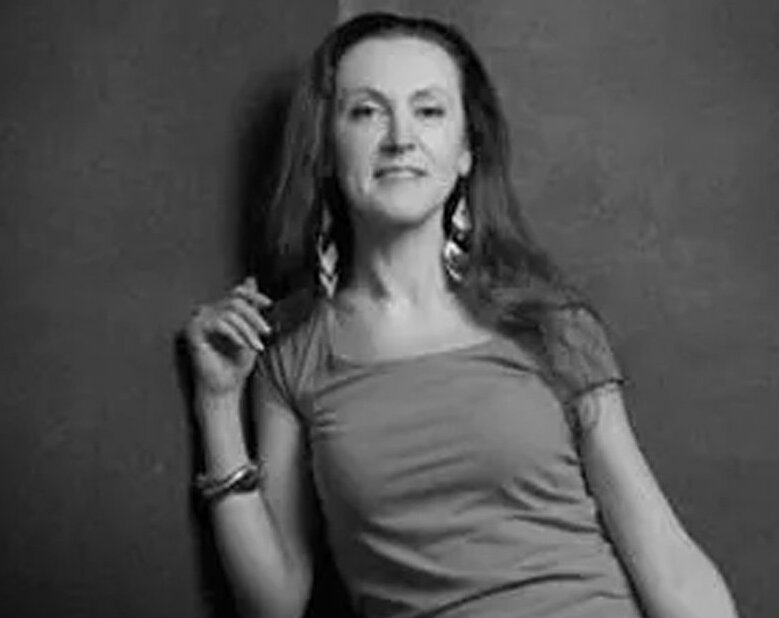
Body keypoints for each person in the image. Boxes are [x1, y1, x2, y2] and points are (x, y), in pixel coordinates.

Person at [184, 12, 739, 618]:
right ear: (325, 150)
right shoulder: (293, 353)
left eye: (429, 111)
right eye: (366, 112)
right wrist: (218, 404)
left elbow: (668, 559)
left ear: (466, 151)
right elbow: (275, 603)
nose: (401, 138)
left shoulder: (549, 324)